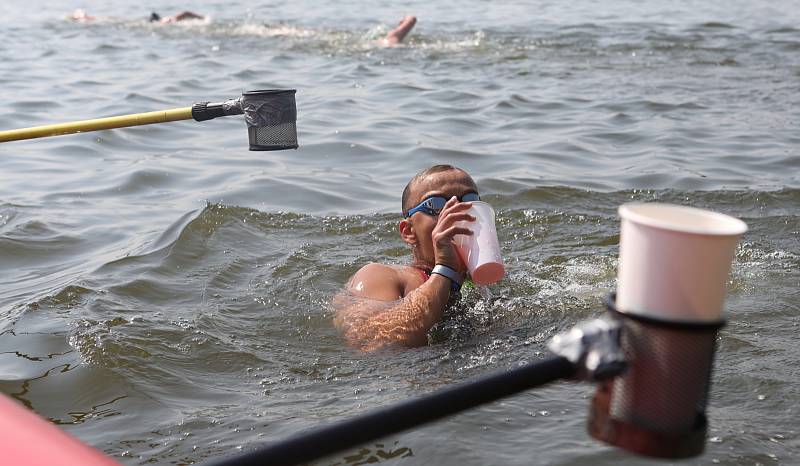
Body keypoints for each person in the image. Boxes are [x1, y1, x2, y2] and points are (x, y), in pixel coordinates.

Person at [333, 165, 482, 351]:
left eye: (470, 201)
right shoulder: (380, 275)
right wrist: (445, 269)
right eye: (436, 205)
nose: (456, 212)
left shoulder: (477, 281)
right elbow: (375, 343)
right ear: (409, 231)